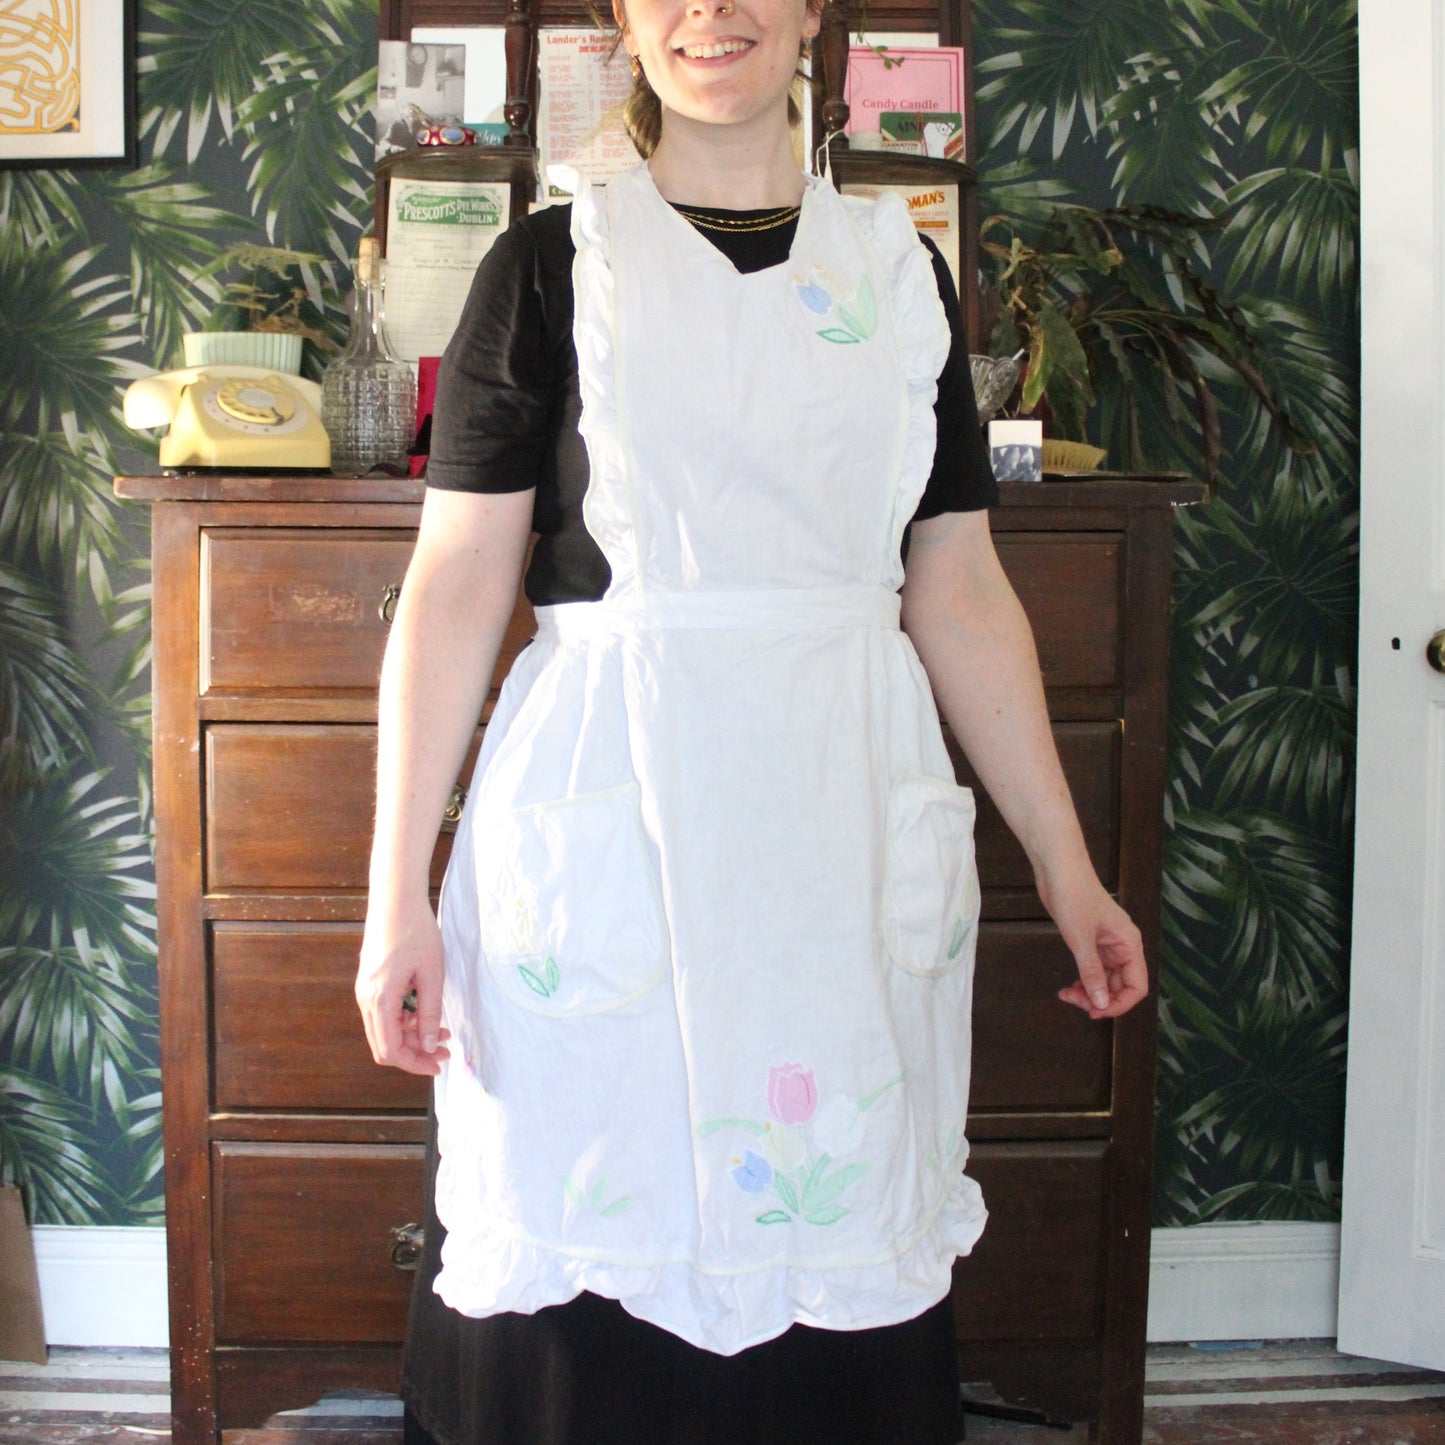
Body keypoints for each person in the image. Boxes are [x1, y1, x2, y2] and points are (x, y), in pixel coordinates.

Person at [355, 0, 1148, 1435]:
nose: (707, 13)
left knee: (832, 1192)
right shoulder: (549, 264)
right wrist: (391, 896)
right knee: (588, 1199)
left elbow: (956, 584)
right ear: (623, 18)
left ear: (810, 12)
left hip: (836, 809)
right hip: (609, 796)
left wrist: (1064, 860)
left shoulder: (896, 272)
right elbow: (456, 583)